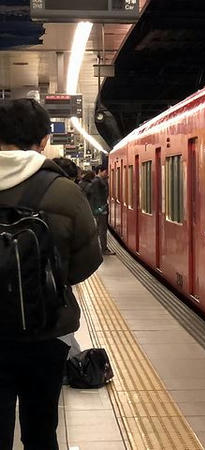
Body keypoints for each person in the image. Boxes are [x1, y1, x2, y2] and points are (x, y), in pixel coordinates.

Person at [0, 98, 102, 450]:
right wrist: (47, 281)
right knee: (41, 429)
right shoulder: (64, 191)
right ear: (45, 139)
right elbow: (88, 259)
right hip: (46, 331)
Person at [88, 164, 115, 255]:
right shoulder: (97, 181)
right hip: (100, 210)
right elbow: (96, 197)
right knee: (102, 229)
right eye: (105, 172)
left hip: (100, 209)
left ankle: (103, 248)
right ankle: (104, 249)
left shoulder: (98, 181)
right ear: (100, 171)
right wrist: (101, 209)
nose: (107, 174)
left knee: (101, 229)